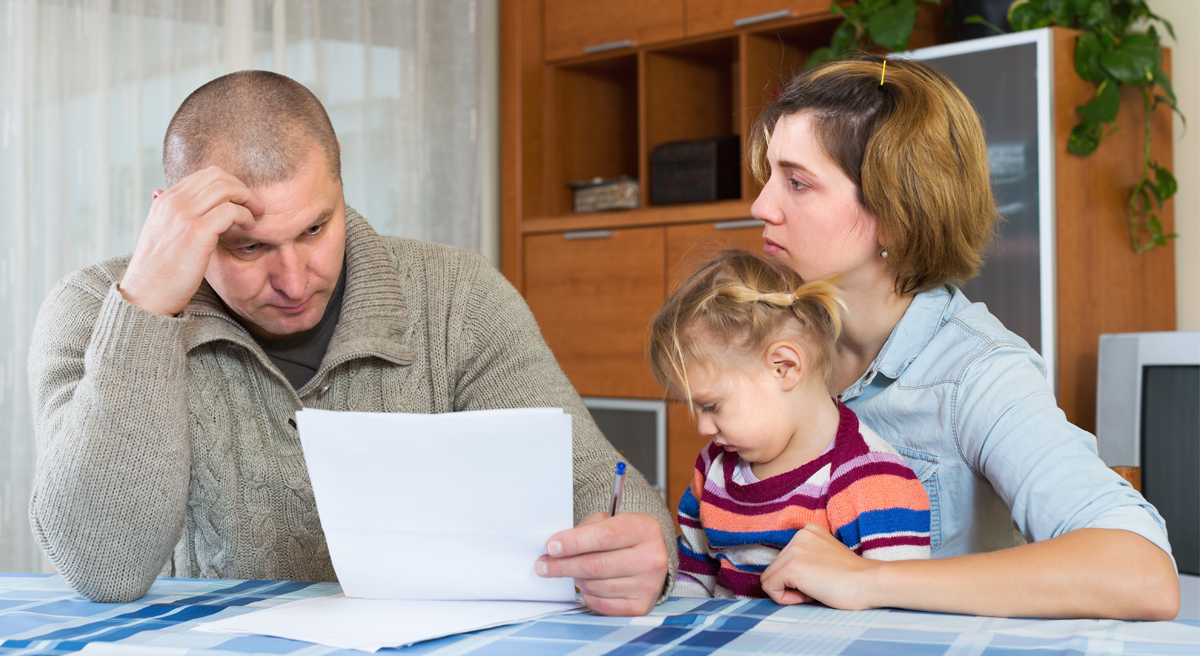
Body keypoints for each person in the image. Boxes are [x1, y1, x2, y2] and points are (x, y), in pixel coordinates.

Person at [27, 70, 675, 615]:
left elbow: (605, 493)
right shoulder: (91, 310)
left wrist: (641, 557)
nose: (291, 279)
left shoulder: (459, 296)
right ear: (173, 215)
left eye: (315, 229)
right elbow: (103, 569)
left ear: (341, 186)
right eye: (247, 246)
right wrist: (143, 307)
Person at [744, 53, 1179, 618]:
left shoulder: (978, 373)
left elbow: (1142, 573)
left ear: (897, 215)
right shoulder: (765, 337)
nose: (761, 206)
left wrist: (872, 581)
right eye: (770, 175)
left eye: (797, 182)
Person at [648, 249, 931, 599]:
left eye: (712, 405)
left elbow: (899, 604)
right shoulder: (713, 470)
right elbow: (691, 580)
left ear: (784, 366)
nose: (704, 428)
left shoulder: (873, 483)